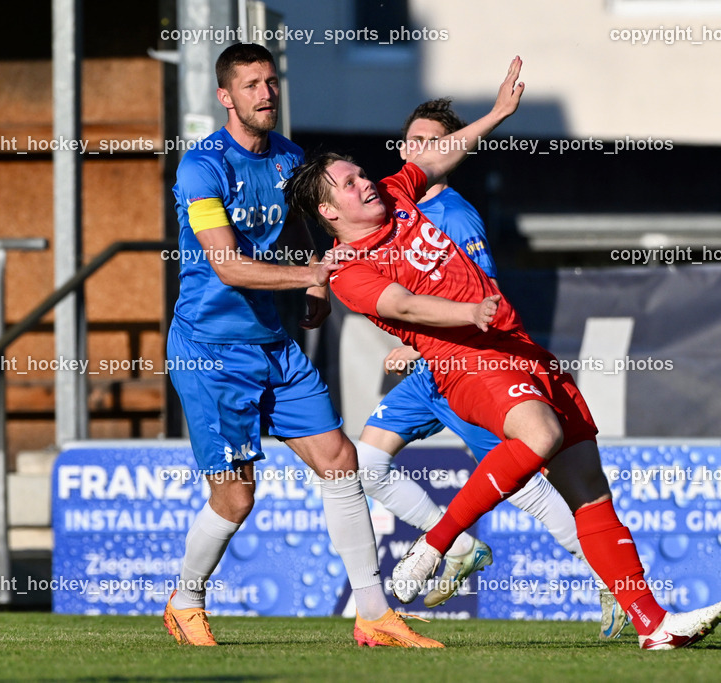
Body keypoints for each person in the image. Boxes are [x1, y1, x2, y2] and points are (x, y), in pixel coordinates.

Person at [285, 56, 721, 650]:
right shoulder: (350, 271)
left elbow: (435, 156)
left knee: (590, 491)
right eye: (348, 182)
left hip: (518, 348)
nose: (366, 180)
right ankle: (437, 542)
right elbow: (408, 307)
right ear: (328, 212)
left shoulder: (396, 193)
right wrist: (468, 313)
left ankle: (654, 625)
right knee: (538, 437)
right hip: (466, 360)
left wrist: (496, 114)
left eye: (360, 173)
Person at [163, 43, 441, 649]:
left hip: (273, 346)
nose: (265, 93)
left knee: (341, 463)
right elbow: (229, 267)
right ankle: (185, 601)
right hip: (211, 352)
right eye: (251, 85)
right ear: (225, 97)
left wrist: (320, 287)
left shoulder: (291, 158)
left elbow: (315, 233)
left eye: (270, 81)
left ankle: (374, 615)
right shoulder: (201, 167)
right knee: (236, 497)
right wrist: (310, 278)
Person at [355, 98, 628, 638]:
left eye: (431, 141)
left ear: (451, 153)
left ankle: (611, 582)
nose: (417, 149)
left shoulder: (455, 216)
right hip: (429, 374)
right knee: (365, 464)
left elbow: (484, 299)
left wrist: (416, 344)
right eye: (411, 139)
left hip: (468, 368)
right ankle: (457, 545)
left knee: (527, 484)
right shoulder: (394, 205)